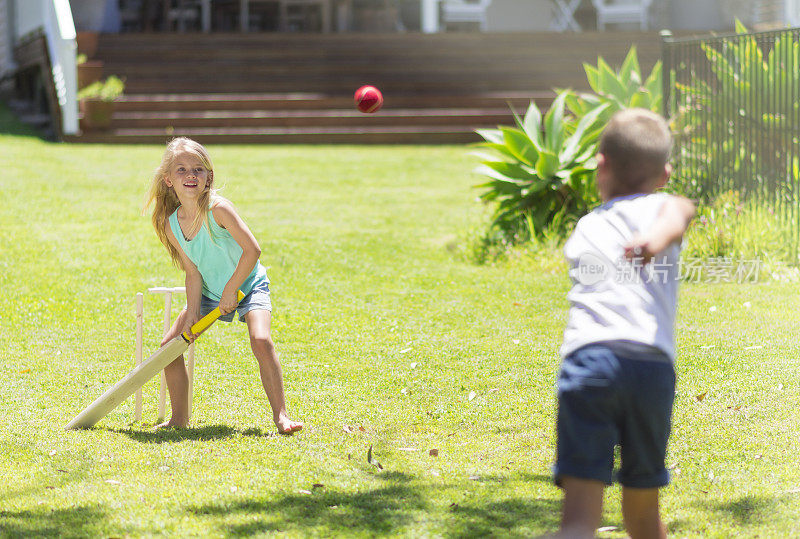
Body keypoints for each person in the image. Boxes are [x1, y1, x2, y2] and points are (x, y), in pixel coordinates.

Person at [554, 108, 695, 538]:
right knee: (643, 516)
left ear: (601, 165)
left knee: (579, 522)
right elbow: (682, 211)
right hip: (650, 369)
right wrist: (656, 241)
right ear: (665, 174)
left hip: (590, 362)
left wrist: (651, 242)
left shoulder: (586, 227)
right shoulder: (663, 209)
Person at [145, 137, 302, 435]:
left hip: (248, 285)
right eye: (181, 170)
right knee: (169, 349)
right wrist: (192, 311)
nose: (191, 175)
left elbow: (252, 250)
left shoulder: (219, 209)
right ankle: (179, 419)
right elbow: (192, 273)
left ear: (208, 177)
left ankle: (281, 416)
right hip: (208, 292)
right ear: (168, 180)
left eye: (198, 169)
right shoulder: (172, 224)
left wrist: (231, 290)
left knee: (261, 340)